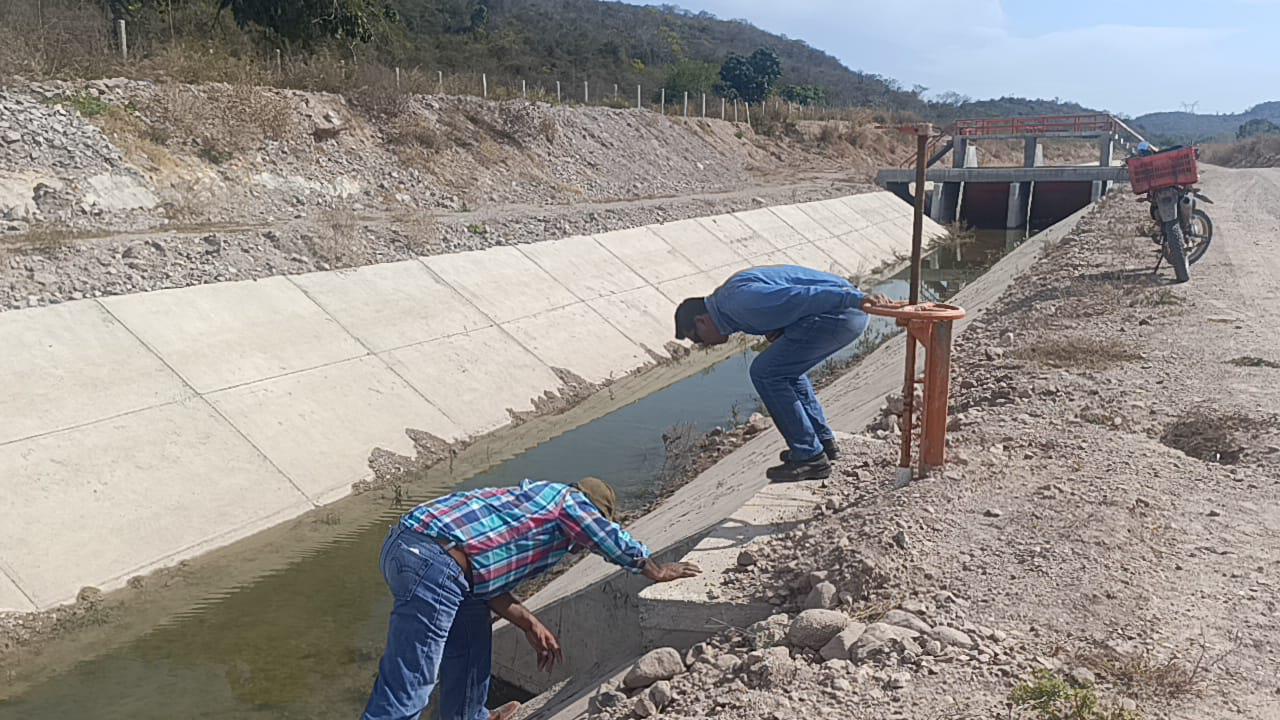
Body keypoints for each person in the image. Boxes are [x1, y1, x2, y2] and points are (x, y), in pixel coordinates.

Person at [362, 477, 701, 720]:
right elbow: (608, 538)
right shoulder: (569, 503)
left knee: (471, 631)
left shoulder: (533, 506)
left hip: (423, 551)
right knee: (413, 674)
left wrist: (529, 623)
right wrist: (653, 569)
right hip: (431, 556)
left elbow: (483, 582)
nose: (581, 545)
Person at [674, 265, 882, 482]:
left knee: (765, 373)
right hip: (842, 311)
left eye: (698, 339)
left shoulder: (739, 302)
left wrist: (855, 299)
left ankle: (810, 457)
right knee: (784, 370)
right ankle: (823, 443)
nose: (704, 345)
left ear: (701, 321)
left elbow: (802, 297)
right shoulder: (731, 302)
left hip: (840, 313)